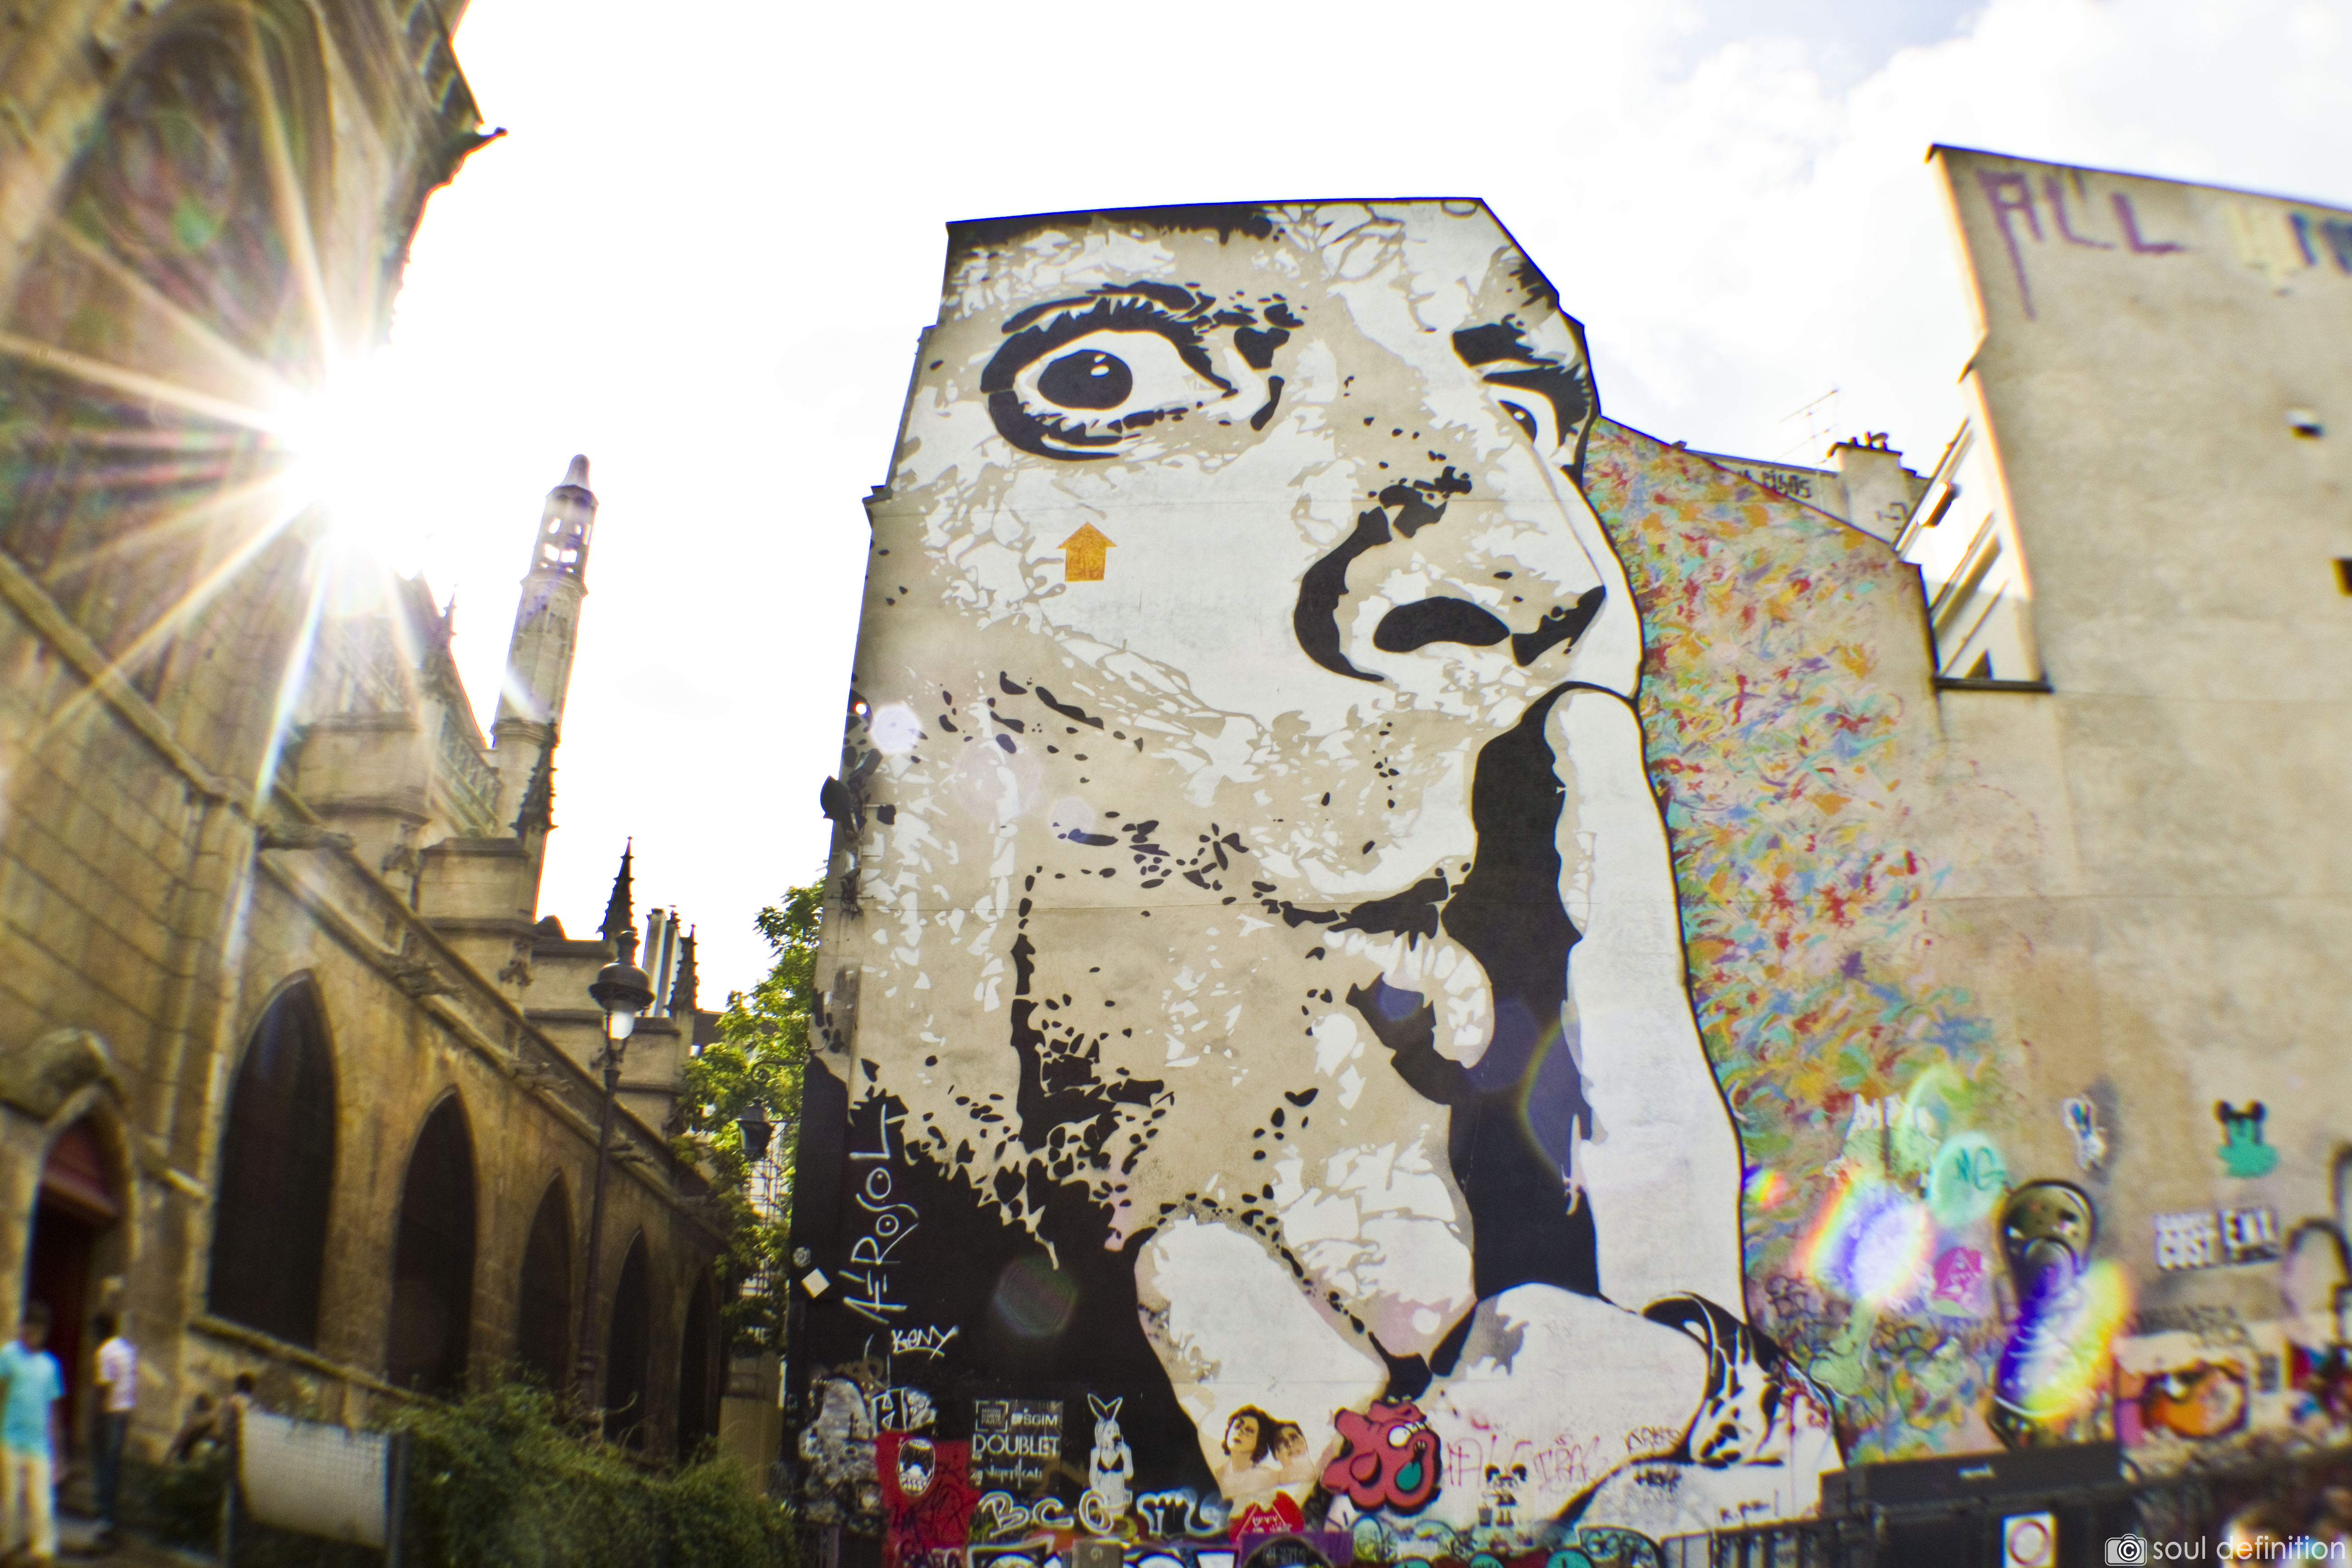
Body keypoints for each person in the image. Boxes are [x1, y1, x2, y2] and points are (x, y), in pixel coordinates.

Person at [0, 1302, 65, 1567]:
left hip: (39, 1445)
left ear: (45, 1332)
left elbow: (54, 1410)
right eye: (27, 1328)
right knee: (10, 1499)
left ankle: (43, 1552)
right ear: (22, 1327)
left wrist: (59, 1453)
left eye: (37, 1330)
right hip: (10, 1439)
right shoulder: (8, 1355)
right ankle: (7, 1549)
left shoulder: (51, 1366)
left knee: (42, 1502)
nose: (31, 1334)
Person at [90, 1313, 135, 1544]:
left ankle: (104, 1518)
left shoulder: (104, 1352)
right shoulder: (127, 1350)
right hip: (125, 1412)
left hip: (109, 1414)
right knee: (114, 1465)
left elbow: (104, 1388)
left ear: (101, 1330)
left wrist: (96, 1418)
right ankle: (111, 1517)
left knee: (104, 1465)